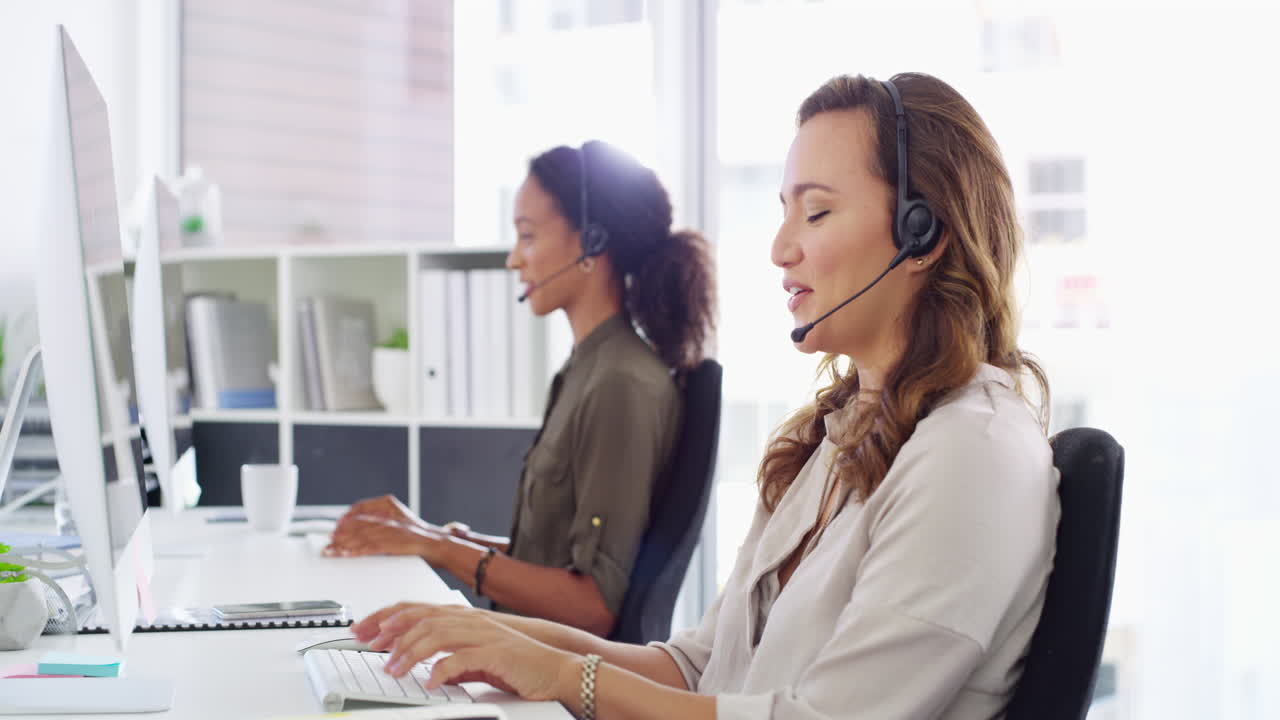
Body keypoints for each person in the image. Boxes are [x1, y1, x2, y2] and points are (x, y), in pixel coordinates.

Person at [347, 72, 1060, 720]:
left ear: (922, 233)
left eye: (815, 214)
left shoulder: (973, 452)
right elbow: (695, 667)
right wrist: (493, 637)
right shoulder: (838, 434)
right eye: (784, 212)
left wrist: (562, 674)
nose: (780, 248)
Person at [324, 140, 717, 637]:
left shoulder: (620, 383)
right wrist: (425, 535)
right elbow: (550, 560)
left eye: (528, 237)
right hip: (520, 653)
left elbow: (593, 604)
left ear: (592, 243)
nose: (514, 260)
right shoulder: (586, 367)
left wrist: (440, 548)